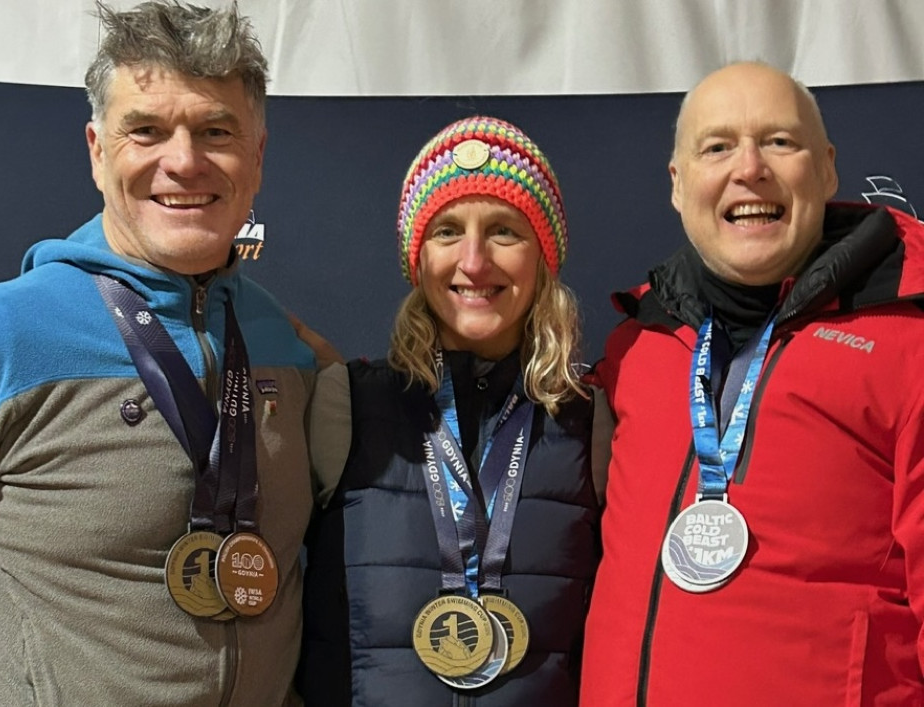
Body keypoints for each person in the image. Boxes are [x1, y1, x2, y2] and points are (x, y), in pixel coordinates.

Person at [0, 1, 335, 704]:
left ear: (257, 157)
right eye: (146, 130)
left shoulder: (290, 350)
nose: (184, 161)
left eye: (216, 131)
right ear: (97, 150)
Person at [580, 61, 924, 705]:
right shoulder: (637, 349)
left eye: (779, 142)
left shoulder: (911, 347)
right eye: (718, 147)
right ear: (679, 185)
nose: (749, 168)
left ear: (826, 169)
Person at [299, 116, 608, 706]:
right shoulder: (347, 403)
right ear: (417, 261)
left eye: (503, 232)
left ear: (543, 257)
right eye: (446, 231)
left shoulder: (590, 425)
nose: (474, 261)